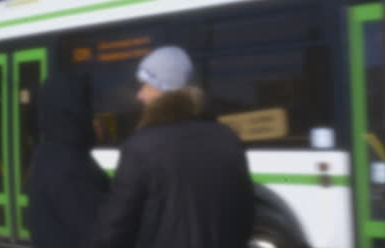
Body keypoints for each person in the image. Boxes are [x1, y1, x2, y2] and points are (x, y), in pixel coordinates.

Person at [91, 46, 254, 248]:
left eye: (144, 85)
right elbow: (245, 217)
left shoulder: (142, 147)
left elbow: (114, 227)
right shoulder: (228, 139)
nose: (139, 96)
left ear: (162, 89)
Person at [28, 72, 109, 248]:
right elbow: (99, 230)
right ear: (75, 111)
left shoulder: (54, 151)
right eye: (89, 107)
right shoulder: (67, 162)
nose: (96, 117)